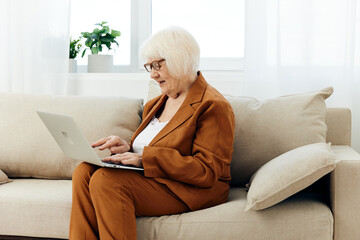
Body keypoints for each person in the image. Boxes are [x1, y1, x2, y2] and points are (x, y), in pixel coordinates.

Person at [69, 26, 235, 240]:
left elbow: (206, 170)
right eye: (149, 66)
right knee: (84, 171)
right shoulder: (156, 103)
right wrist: (128, 148)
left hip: (189, 189)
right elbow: (157, 144)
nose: (153, 74)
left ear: (180, 60)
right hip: (155, 178)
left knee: (106, 181)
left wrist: (143, 158)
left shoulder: (213, 105)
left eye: (158, 65)